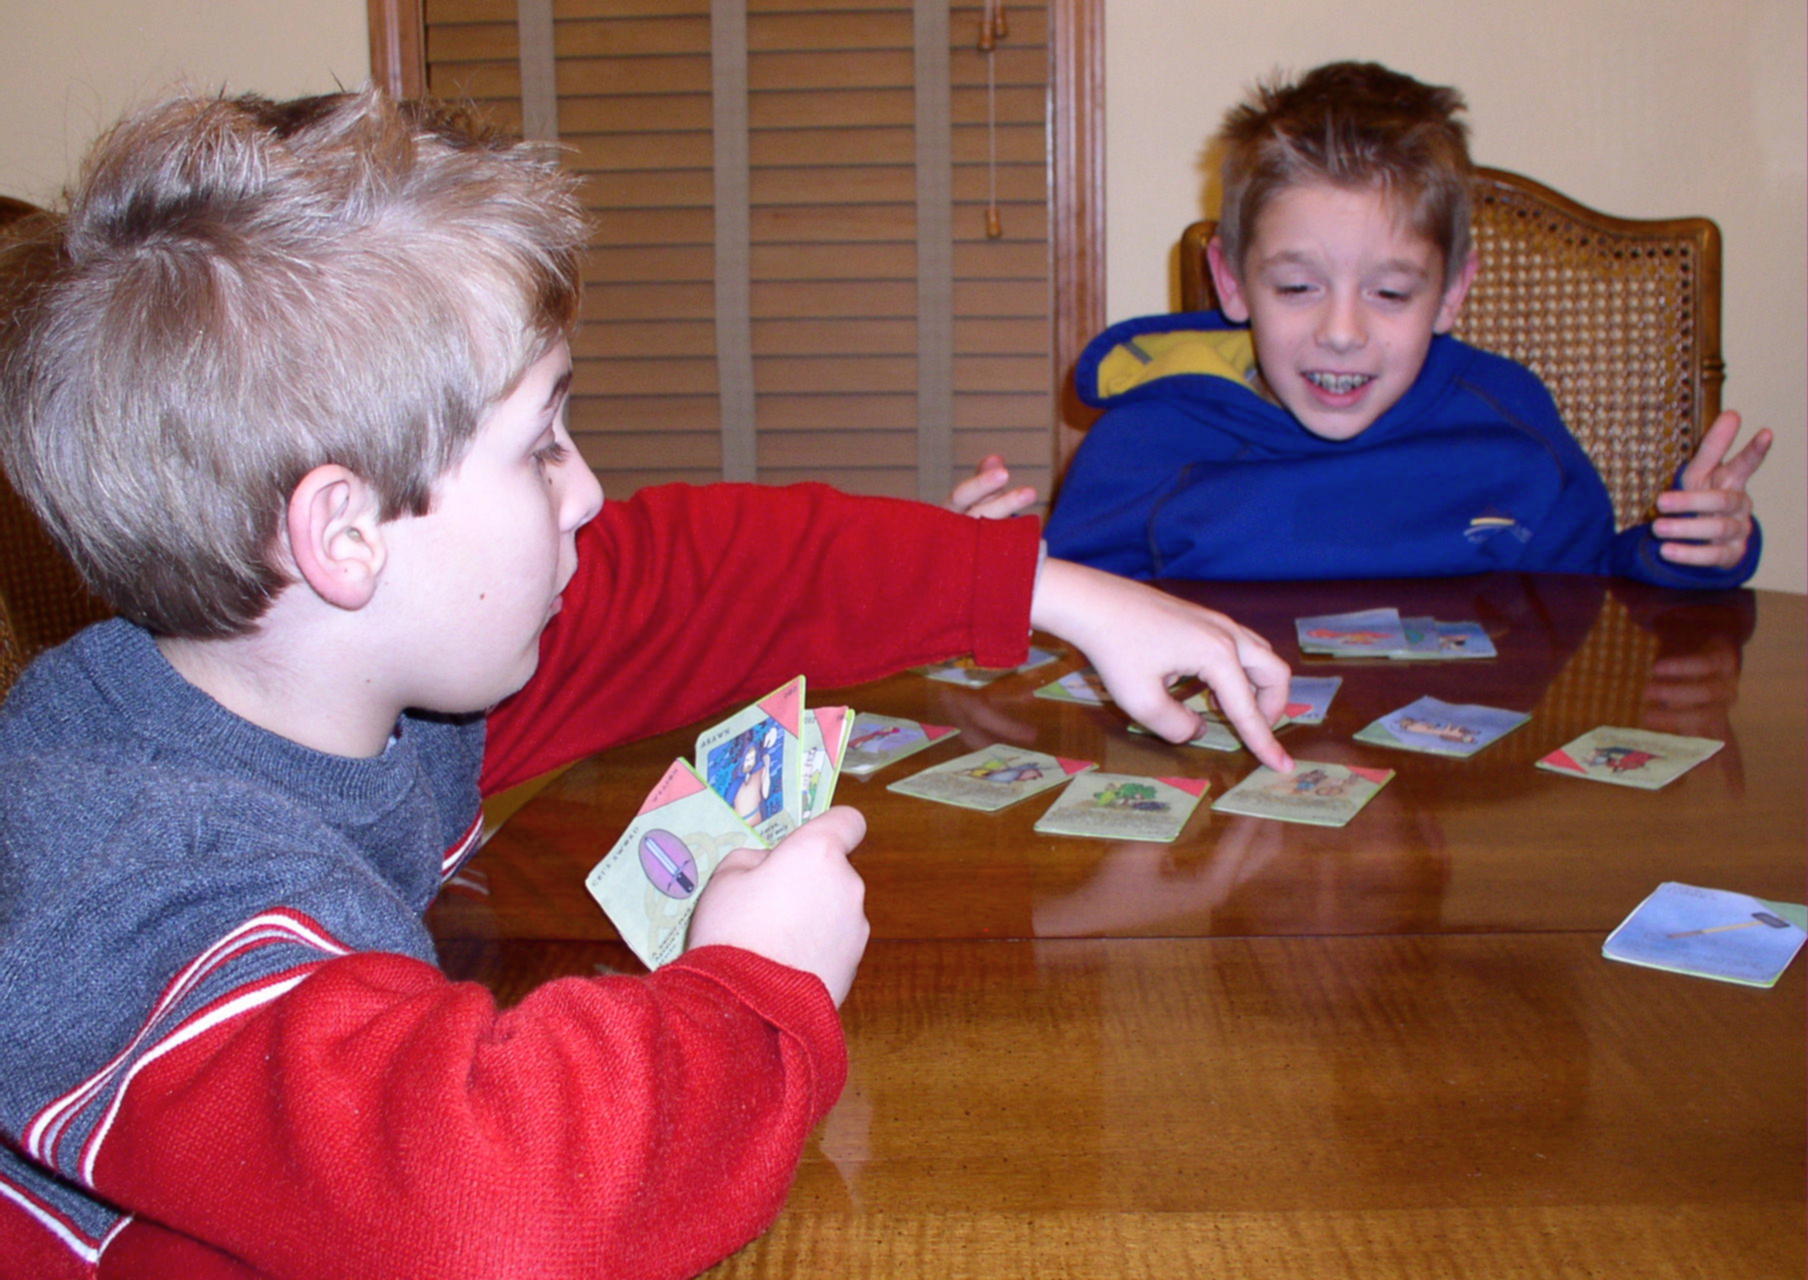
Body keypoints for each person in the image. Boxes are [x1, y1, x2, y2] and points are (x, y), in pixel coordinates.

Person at [0, 89, 1293, 1279]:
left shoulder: (348, 673)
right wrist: (753, 984)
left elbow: (696, 576)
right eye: (541, 445)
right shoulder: (128, 881)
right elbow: (501, 1210)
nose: (587, 491)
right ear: (344, 536)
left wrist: (1046, 590)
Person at [955, 62, 1770, 588]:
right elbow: (1060, 621)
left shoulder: (1510, 424)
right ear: (1234, 283)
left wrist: (1682, 551)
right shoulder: (1148, 440)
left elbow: (1593, 595)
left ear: (1452, 296)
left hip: (1450, 797)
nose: (1341, 332)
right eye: (1300, 286)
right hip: (1219, 801)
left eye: (1390, 294)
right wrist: (986, 577)